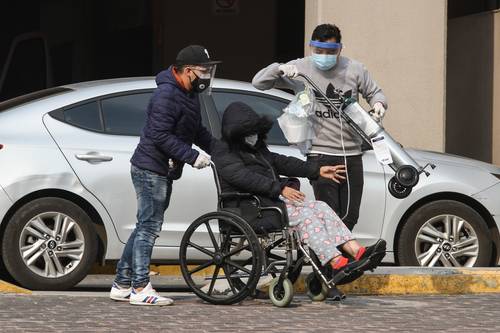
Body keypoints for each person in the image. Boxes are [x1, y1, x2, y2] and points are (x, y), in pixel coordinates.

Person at [212, 101, 386, 287]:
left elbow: (283, 162)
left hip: (268, 204)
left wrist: (317, 170)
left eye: (255, 131)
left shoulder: (257, 149)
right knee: (305, 216)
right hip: (249, 209)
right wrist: (279, 188)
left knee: (321, 207)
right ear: (237, 133)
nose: (253, 136)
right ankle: (335, 262)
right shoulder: (224, 153)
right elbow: (244, 178)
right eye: (248, 132)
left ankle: (356, 251)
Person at [110, 45, 220, 306]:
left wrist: (220, 150)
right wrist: (192, 156)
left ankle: (122, 283)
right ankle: (140, 288)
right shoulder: (167, 95)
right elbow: (160, 135)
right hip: (151, 168)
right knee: (149, 227)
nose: (207, 75)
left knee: (144, 225)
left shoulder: (188, 93)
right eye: (203, 70)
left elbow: (195, 130)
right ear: (187, 71)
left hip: (162, 168)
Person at [252, 23, 388, 232]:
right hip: (320, 154)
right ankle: (331, 263)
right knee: (329, 214)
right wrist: (278, 68)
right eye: (319, 51)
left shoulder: (355, 69)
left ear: (340, 49)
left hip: (351, 153)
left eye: (331, 51)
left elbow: (375, 92)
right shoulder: (301, 68)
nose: (325, 56)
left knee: (349, 216)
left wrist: (379, 105)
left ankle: (338, 260)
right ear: (311, 48)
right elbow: (258, 83)